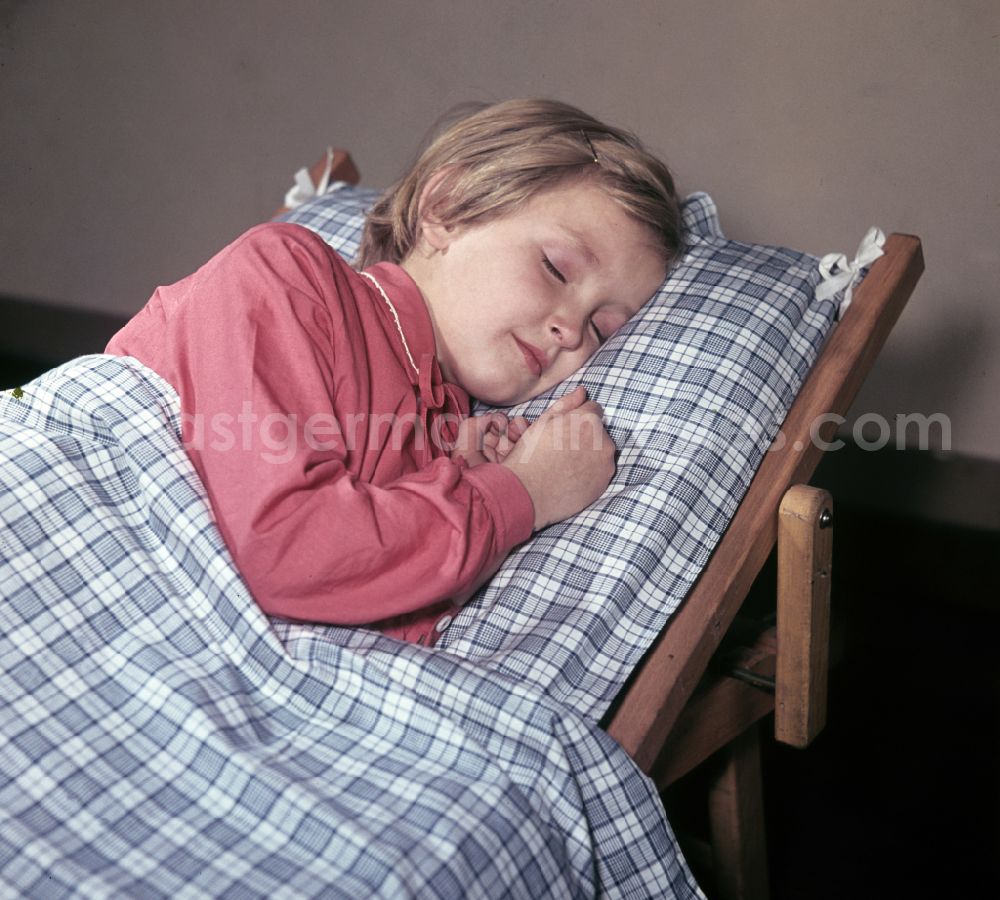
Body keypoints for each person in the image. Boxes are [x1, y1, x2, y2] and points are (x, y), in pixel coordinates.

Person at [105, 99, 683, 646]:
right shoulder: (287, 276)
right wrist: (522, 493)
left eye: (602, 329)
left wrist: (456, 469)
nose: (570, 330)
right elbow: (287, 546)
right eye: (555, 268)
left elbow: (369, 627)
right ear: (448, 209)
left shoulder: (443, 429)